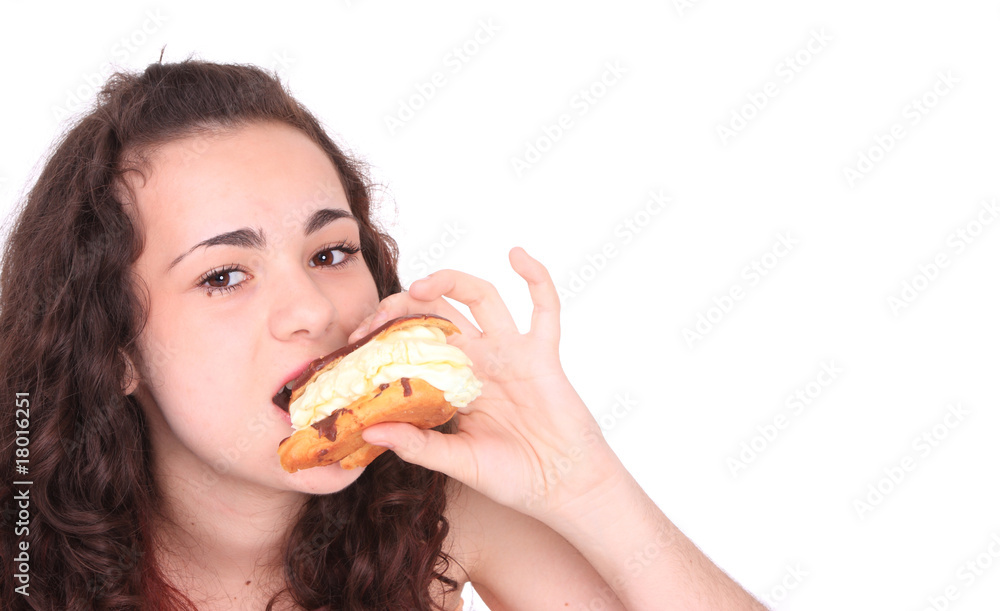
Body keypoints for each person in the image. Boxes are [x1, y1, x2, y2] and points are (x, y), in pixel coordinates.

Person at [0, 57, 766, 610]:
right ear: (116, 345)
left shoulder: (435, 506)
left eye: (331, 252)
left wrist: (585, 480)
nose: (312, 308)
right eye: (225, 274)